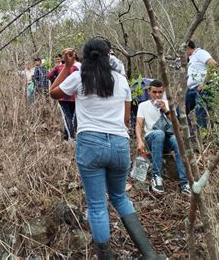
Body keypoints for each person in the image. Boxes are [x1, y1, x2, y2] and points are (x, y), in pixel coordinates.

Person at [50, 38, 165, 259]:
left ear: (85, 56)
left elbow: (54, 93)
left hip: (90, 144)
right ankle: (150, 254)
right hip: (119, 144)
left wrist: (66, 64)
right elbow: (125, 119)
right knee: (120, 197)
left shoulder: (78, 77)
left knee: (96, 205)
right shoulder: (121, 81)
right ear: (108, 55)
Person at [135, 80, 191, 196]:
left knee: (177, 139)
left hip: (167, 138)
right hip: (152, 137)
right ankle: (156, 177)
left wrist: (166, 110)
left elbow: (176, 125)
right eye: (154, 92)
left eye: (160, 92)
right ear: (149, 92)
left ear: (163, 92)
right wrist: (139, 140)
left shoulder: (167, 103)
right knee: (159, 133)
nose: (157, 95)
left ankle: (185, 183)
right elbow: (139, 124)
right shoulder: (143, 106)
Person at [185, 41, 218, 129]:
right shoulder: (191, 59)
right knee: (180, 111)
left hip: (205, 87)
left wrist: (204, 84)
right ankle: (188, 134)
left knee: (201, 112)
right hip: (192, 89)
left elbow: (213, 64)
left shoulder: (200, 53)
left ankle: (204, 138)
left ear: (187, 48)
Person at [49, 54, 79, 141]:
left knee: (67, 117)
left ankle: (71, 138)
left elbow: (49, 76)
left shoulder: (58, 68)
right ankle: (69, 136)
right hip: (73, 96)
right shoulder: (75, 68)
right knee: (72, 117)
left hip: (62, 96)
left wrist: (55, 81)